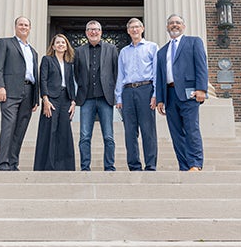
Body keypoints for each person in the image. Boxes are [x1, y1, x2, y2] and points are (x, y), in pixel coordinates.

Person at [155, 14, 208, 171]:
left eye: (178, 23)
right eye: (171, 23)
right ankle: (184, 166)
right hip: (170, 95)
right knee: (176, 134)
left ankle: (196, 164)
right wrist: (160, 99)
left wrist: (202, 89)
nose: (174, 25)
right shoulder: (162, 51)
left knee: (191, 129)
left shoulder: (194, 42)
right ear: (167, 27)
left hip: (189, 94)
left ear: (183, 26)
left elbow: (201, 66)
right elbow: (159, 77)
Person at [0, 16, 39, 171]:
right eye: (21, 24)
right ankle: (2, 163)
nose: (24, 27)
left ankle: (13, 163)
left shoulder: (33, 52)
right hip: (10, 91)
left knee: (20, 130)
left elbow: (34, 75)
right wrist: (0, 86)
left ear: (30, 28)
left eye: (26, 25)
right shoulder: (4, 43)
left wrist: (35, 98)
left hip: (29, 91)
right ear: (15, 27)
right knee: (8, 127)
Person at [74, 20, 118, 171]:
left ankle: (109, 167)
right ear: (86, 33)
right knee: (85, 136)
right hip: (86, 98)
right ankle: (85, 167)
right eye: (90, 30)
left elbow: (116, 72)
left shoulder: (112, 49)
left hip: (106, 98)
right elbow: (76, 74)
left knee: (109, 137)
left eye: (96, 29)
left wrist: (117, 96)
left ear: (101, 32)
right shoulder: (79, 51)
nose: (93, 32)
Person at [115, 18, 158, 171]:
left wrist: (155, 95)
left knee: (148, 130)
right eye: (131, 27)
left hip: (145, 89)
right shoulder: (123, 52)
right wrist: (118, 97)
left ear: (142, 28)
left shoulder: (152, 47)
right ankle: (134, 166)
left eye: (137, 27)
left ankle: (151, 165)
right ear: (127, 31)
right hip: (127, 91)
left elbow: (156, 73)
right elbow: (120, 75)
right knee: (130, 132)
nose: (134, 30)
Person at [33, 34, 76, 171]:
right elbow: (43, 80)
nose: (61, 45)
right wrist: (45, 99)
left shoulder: (69, 64)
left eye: (63, 42)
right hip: (51, 99)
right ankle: (46, 166)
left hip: (66, 99)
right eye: (58, 42)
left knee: (64, 132)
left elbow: (70, 83)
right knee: (49, 131)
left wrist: (73, 102)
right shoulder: (47, 60)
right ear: (53, 46)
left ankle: (65, 166)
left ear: (66, 45)